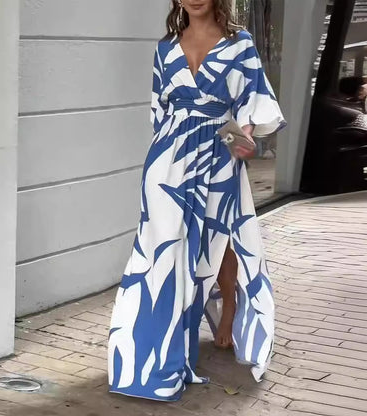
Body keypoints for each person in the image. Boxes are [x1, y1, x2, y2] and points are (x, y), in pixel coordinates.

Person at [107, 0, 286, 401]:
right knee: (160, 253)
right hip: (167, 161)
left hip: (220, 153)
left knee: (214, 245)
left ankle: (224, 313)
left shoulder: (240, 43)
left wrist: (242, 140)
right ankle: (149, 361)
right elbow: (159, 111)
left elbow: (253, 102)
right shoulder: (165, 47)